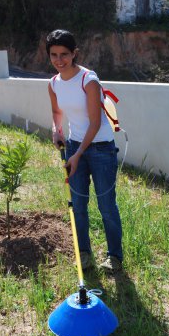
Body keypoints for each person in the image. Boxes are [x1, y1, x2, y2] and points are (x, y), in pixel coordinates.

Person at [46, 29, 123, 272]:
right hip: (74, 145)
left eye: (64, 54)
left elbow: (96, 122)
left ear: (75, 53)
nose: (59, 60)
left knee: (106, 206)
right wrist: (56, 129)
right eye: (54, 55)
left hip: (100, 149)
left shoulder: (88, 80)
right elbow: (57, 112)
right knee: (77, 205)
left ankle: (114, 257)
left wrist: (77, 156)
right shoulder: (53, 83)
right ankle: (85, 254)